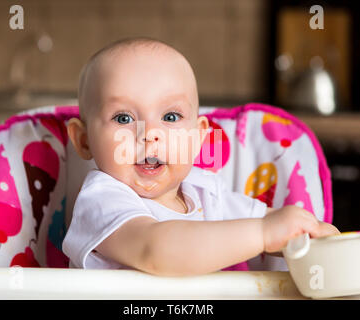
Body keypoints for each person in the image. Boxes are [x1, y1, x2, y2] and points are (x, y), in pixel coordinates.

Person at [62, 37, 339, 276]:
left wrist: (312, 235)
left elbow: (277, 224)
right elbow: (155, 250)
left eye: (170, 116)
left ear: (197, 138)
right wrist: (263, 234)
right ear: (84, 140)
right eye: (123, 117)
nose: (149, 134)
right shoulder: (101, 200)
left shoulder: (206, 192)